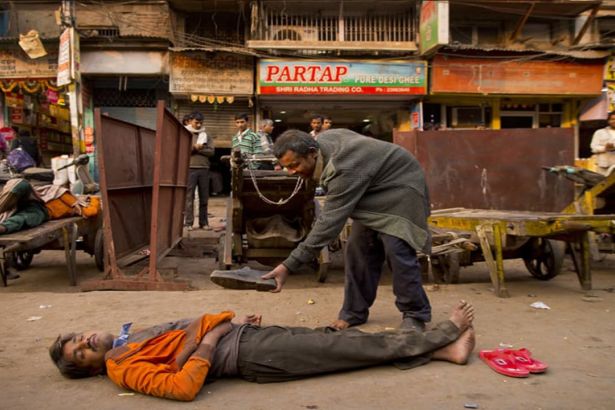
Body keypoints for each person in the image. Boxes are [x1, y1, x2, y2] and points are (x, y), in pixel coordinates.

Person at [49, 301, 475, 402]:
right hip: (250, 354)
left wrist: (224, 327)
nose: (87, 343)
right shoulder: (122, 370)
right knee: (347, 344)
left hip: (246, 339)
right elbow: (182, 387)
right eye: (81, 353)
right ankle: (442, 334)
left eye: (81, 338)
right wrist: (214, 338)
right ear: (89, 371)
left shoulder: (126, 341)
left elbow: (181, 340)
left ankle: (442, 354)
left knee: (342, 349)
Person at [262, 129, 432, 331]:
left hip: (402, 188)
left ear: (311, 153)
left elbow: (328, 224)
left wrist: (289, 265)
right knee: (357, 248)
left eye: (295, 165)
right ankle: (354, 312)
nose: (291, 171)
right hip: (372, 190)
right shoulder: (323, 142)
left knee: (396, 249)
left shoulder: (344, 169)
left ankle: (415, 314)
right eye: (286, 167)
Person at [184, 111, 215, 230]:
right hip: (189, 168)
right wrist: (196, 147)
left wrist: (197, 149)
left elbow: (211, 152)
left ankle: (204, 223)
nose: (198, 125)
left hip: (204, 169)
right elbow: (183, 149)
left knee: (204, 197)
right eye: (196, 122)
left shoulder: (206, 135)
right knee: (189, 198)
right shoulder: (185, 134)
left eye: (200, 123)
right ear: (190, 121)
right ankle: (188, 223)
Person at [590, 111, 615, 175]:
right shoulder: (599, 133)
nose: (614, 121)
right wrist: (605, 148)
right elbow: (593, 148)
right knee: (603, 184)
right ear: (608, 121)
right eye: (612, 119)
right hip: (604, 167)